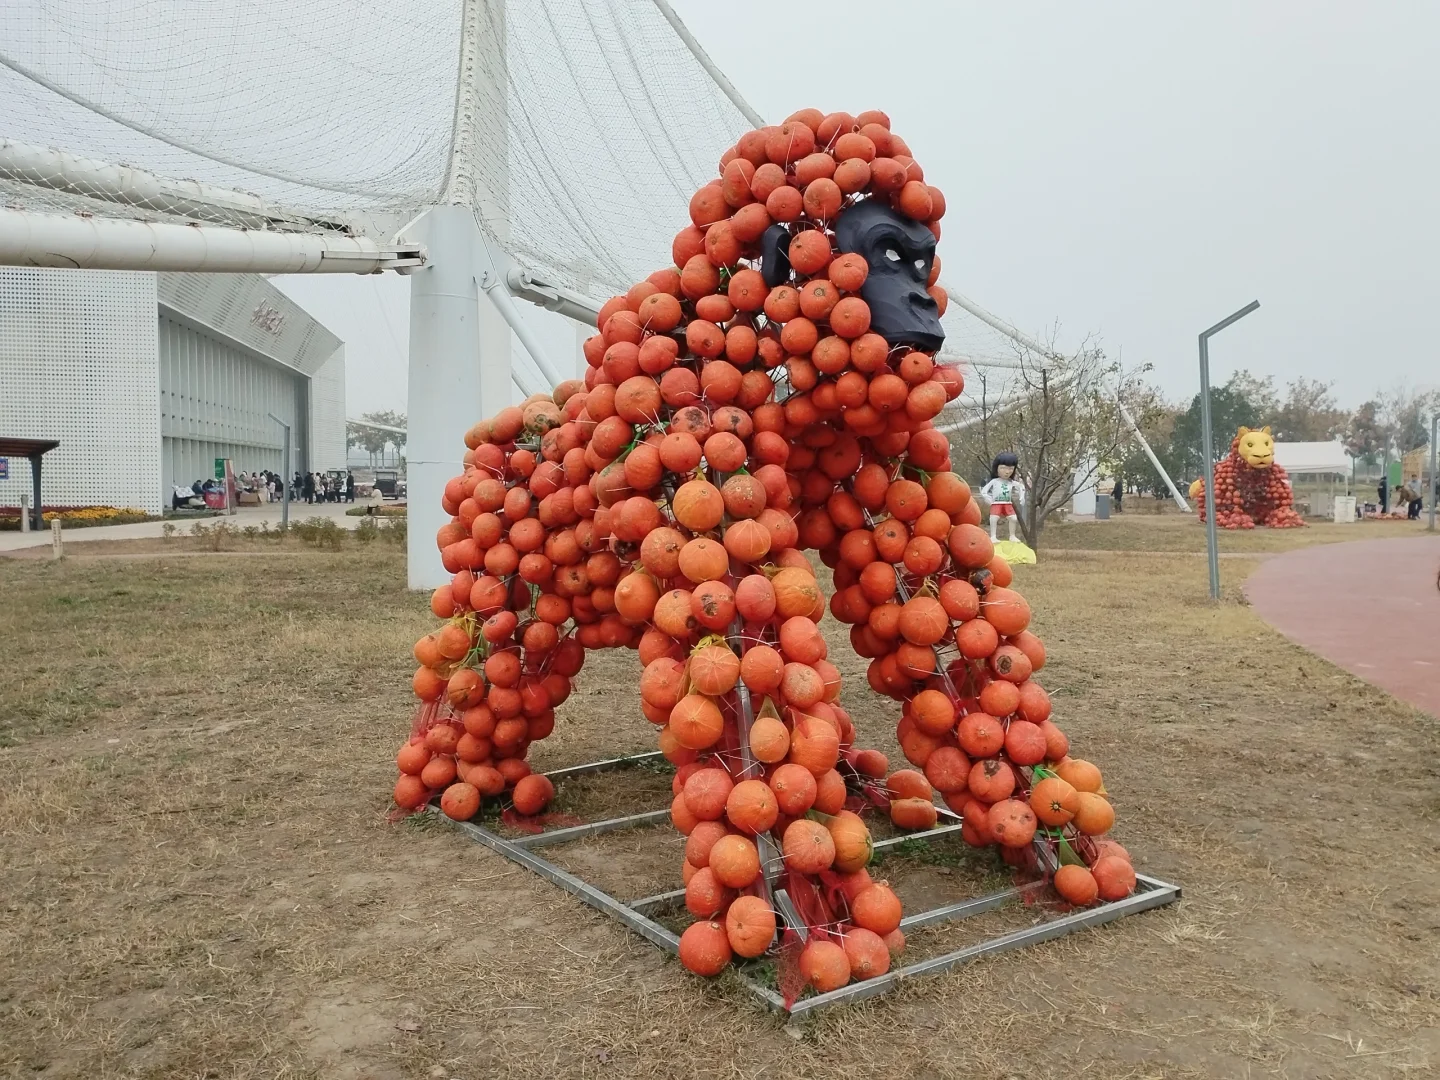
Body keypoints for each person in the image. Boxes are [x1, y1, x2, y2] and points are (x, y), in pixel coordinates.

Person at [980, 452, 1025, 543]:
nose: (1007, 471)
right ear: (997, 468)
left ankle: (1012, 536)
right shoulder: (995, 481)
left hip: (1007, 503)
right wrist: (987, 498)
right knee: (994, 518)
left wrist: (1022, 496)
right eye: (1003, 468)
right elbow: (984, 490)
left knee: (1013, 518)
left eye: (1010, 469)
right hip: (996, 503)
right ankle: (993, 536)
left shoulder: (1010, 482)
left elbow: (1021, 486)